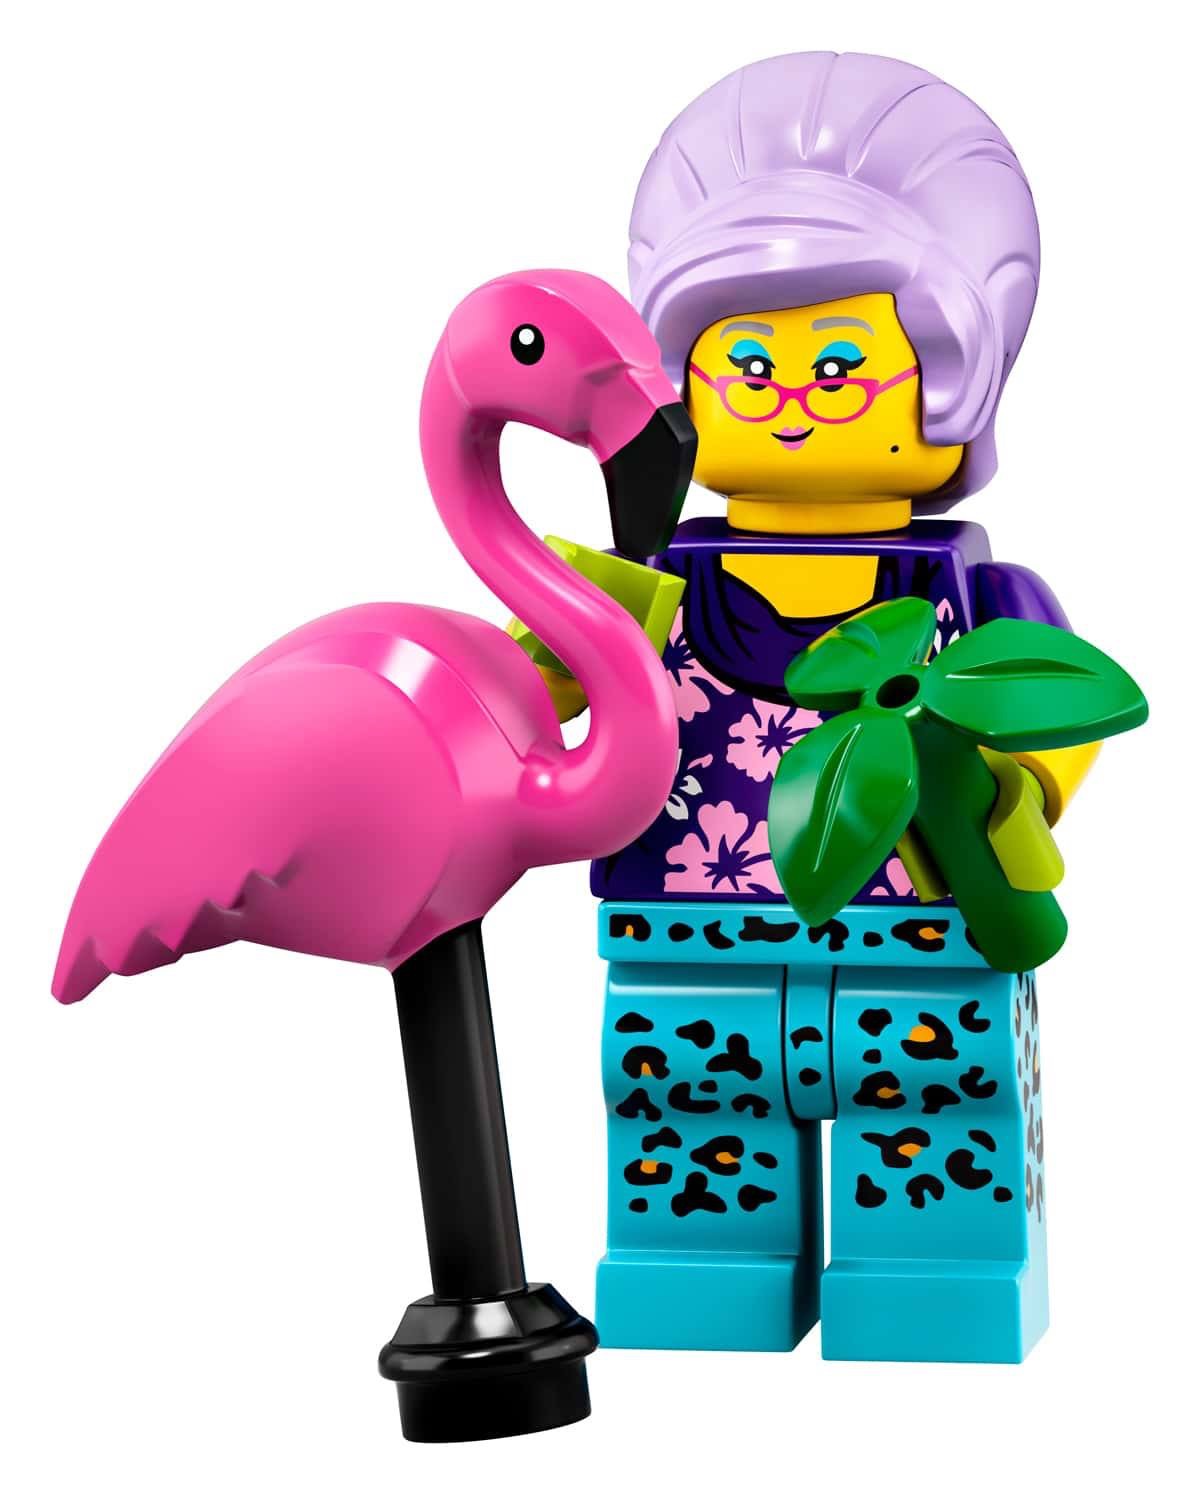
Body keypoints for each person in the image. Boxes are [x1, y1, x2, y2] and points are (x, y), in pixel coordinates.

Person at [572, 52, 1097, 1362]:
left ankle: (932, 1280)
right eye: (748, 367)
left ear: (947, 378)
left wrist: (1014, 792)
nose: (793, 402)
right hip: (685, 928)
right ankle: (701, 1272)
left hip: (919, 929)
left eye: (843, 364)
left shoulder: (969, 593)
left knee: (931, 1111)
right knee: (688, 1114)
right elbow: (553, 675)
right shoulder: (651, 589)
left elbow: (1060, 711)